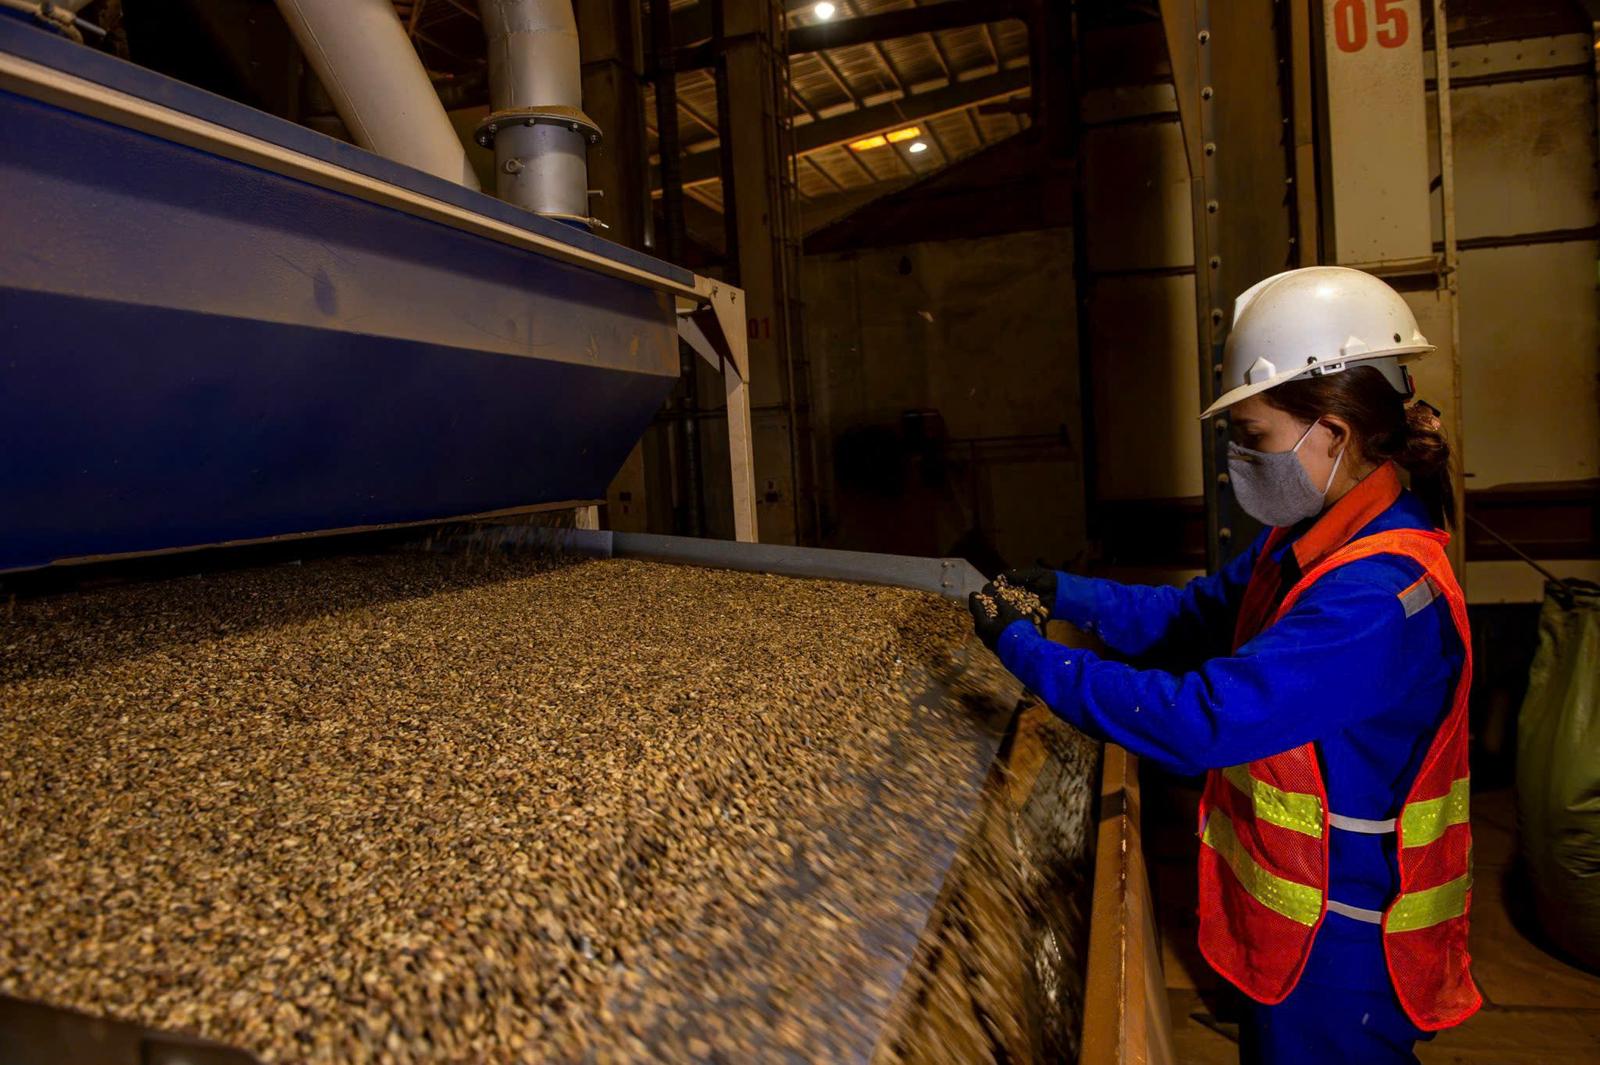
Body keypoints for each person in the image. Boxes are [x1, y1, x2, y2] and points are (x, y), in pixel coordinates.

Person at [969, 267, 1479, 1064]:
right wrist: (1067, 592)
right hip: (1294, 924)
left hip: (1346, 946)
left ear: (1332, 433)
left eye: (1255, 436)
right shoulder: (1313, 536)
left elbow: (1200, 718)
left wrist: (1027, 654)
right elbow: (1196, 614)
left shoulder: (1377, 598)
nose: (1242, 457)